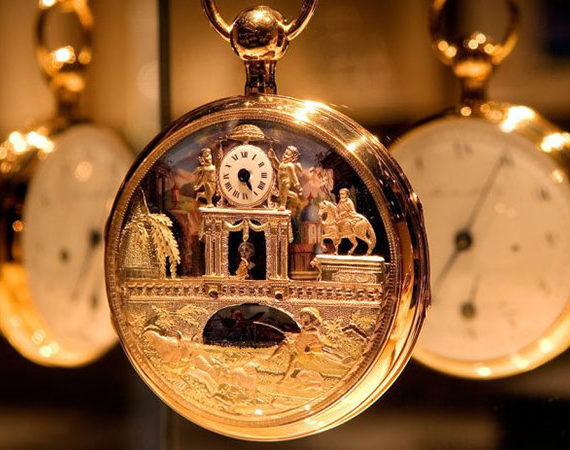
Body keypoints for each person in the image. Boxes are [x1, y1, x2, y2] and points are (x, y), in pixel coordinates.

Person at [268, 145, 303, 211]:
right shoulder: (283, 163)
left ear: (293, 157)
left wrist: (297, 184)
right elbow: (278, 167)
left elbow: (293, 176)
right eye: (284, 153)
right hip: (280, 181)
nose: (284, 155)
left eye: (287, 154)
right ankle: (295, 196)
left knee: (284, 193)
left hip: (285, 182)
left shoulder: (290, 166)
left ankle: (283, 205)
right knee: (283, 192)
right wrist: (273, 158)